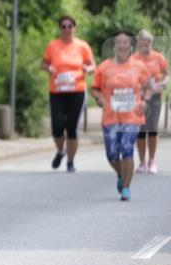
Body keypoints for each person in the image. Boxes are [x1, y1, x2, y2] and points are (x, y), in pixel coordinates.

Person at [91, 31, 153, 201]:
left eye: (126, 43)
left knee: (126, 149)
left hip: (132, 117)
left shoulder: (139, 67)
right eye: (119, 42)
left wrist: (145, 101)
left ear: (130, 46)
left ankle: (126, 187)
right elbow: (95, 88)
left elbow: (148, 87)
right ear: (114, 45)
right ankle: (121, 173)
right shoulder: (104, 67)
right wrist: (98, 98)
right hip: (110, 117)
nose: (123, 45)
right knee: (112, 154)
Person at [41, 15, 95, 172]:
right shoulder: (53, 46)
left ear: (74, 28)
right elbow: (44, 63)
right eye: (63, 26)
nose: (67, 29)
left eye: (70, 26)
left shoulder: (82, 46)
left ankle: (70, 161)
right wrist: (48, 68)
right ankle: (60, 151)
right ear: (60, 29)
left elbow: (93, 65)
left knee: (72, 128)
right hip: (57, 91)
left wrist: (87, 69)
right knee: (57, 127)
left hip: (76, 91)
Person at [132, 30, 168, 173]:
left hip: (154, 96)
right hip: (139, 97)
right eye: (141, 45)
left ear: (151, 44)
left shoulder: (159, 58)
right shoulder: (133, 59)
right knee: (141, 130)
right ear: (138, 44)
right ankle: (141, 162)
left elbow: (166, 75)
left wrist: (164, 83)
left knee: (152, 128)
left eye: (147, 45)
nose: (144, 48)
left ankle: (152, 161)